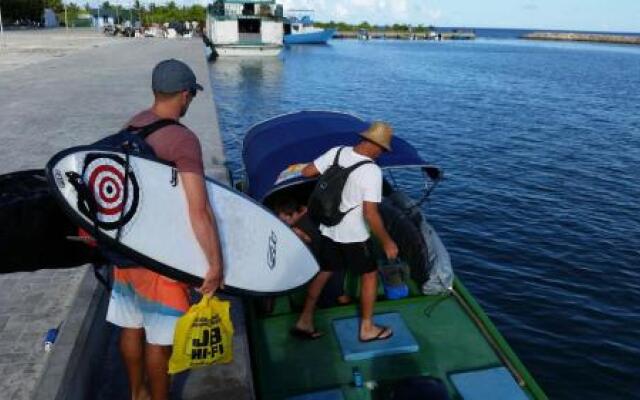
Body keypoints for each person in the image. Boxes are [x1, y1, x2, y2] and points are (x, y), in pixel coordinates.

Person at [105, 59, 224, 400]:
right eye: (191, 97)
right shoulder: (182, 140)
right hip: (160, 259)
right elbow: (198, 209)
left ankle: (136, 393)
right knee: (160, 341)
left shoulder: (131, 125)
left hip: (126, 249)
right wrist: (214, 265)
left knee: (130, 325)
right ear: (184, 95)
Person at [291, 121, 399, 341]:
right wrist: (387, 241)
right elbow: (370, 213)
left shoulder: (337, 152)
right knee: (369, 276)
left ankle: (304, 320)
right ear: (376, 146)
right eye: (382, 149)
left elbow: (307, 171)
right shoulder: (371, 171)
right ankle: (367, 329)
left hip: (329, 228)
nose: (381, 153)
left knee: (325, 270)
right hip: (355, 235)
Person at [273, 197, 351, 307]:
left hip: (325, 265)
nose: (285, 224)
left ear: (293, 214)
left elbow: (305, 242)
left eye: (285, 221)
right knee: (339, 290)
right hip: (339, 255)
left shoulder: (297, 230)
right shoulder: (312, 212)